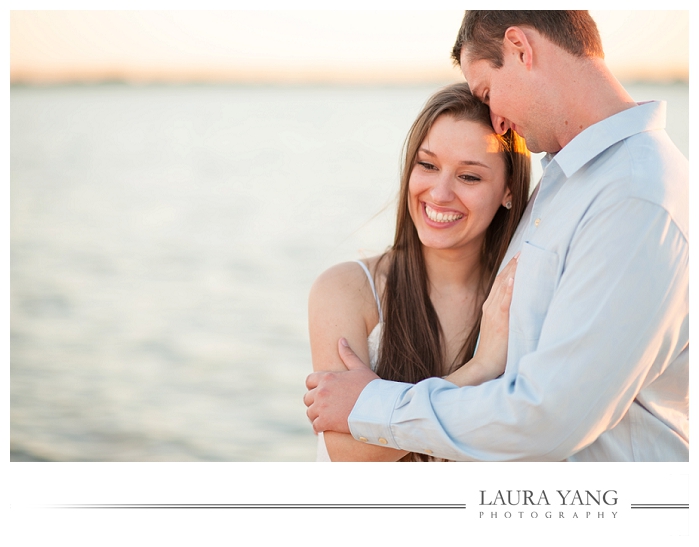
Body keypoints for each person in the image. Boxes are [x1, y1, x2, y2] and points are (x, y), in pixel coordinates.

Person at [304, 10, 688, 462]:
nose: (498, 121)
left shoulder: (636, 195)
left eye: (487, 92)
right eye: (427, 164)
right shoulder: (569, 179)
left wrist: (375, 406)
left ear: (521, 49)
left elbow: (548, 419)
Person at [309, 83, 530, 461]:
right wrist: (480, 369)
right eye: (427, 165)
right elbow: (346, 453)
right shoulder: (349, 289)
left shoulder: (517, 297)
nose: (440, 193)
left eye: (469, 177)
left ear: (509, 189)